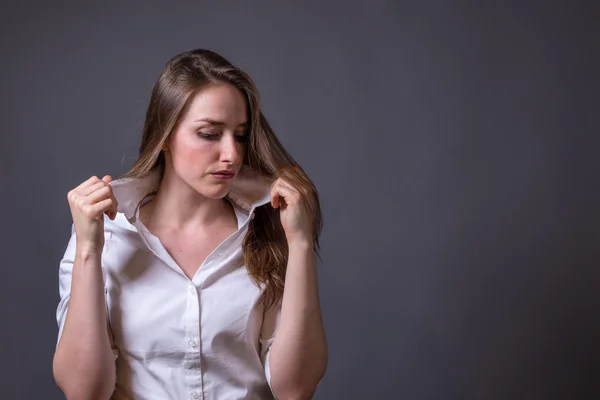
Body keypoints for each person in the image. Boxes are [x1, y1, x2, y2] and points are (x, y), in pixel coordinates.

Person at [52, 48, 328, 400]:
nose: (231, 153)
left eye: (240, 135)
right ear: (165, 135)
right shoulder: (106, 232)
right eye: (210, 134)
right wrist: (89, 250)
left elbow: (296, 390)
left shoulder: (271, 229)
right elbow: (83, 391)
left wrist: (301, 243)